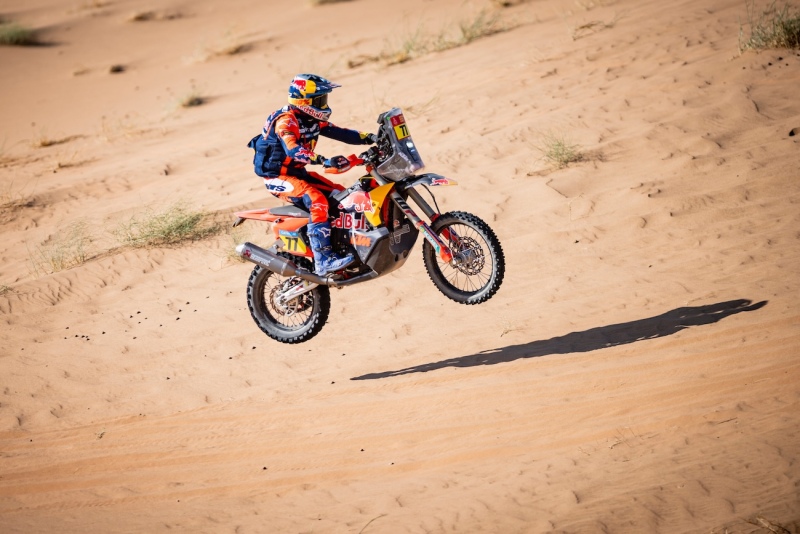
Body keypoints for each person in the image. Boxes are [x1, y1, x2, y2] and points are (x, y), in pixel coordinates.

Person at [248, 74, 377, 275]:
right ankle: (323, 260)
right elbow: (293, 149)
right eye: (319, 99)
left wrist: (372, 137)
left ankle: (344, 245)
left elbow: (342, 133)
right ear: (304, 101)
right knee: (317, 200)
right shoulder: (286, 121)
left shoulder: (312, 119)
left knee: (343, 196)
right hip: (278, 177)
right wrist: (322, 160)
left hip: (297, 173)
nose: (323, 103)